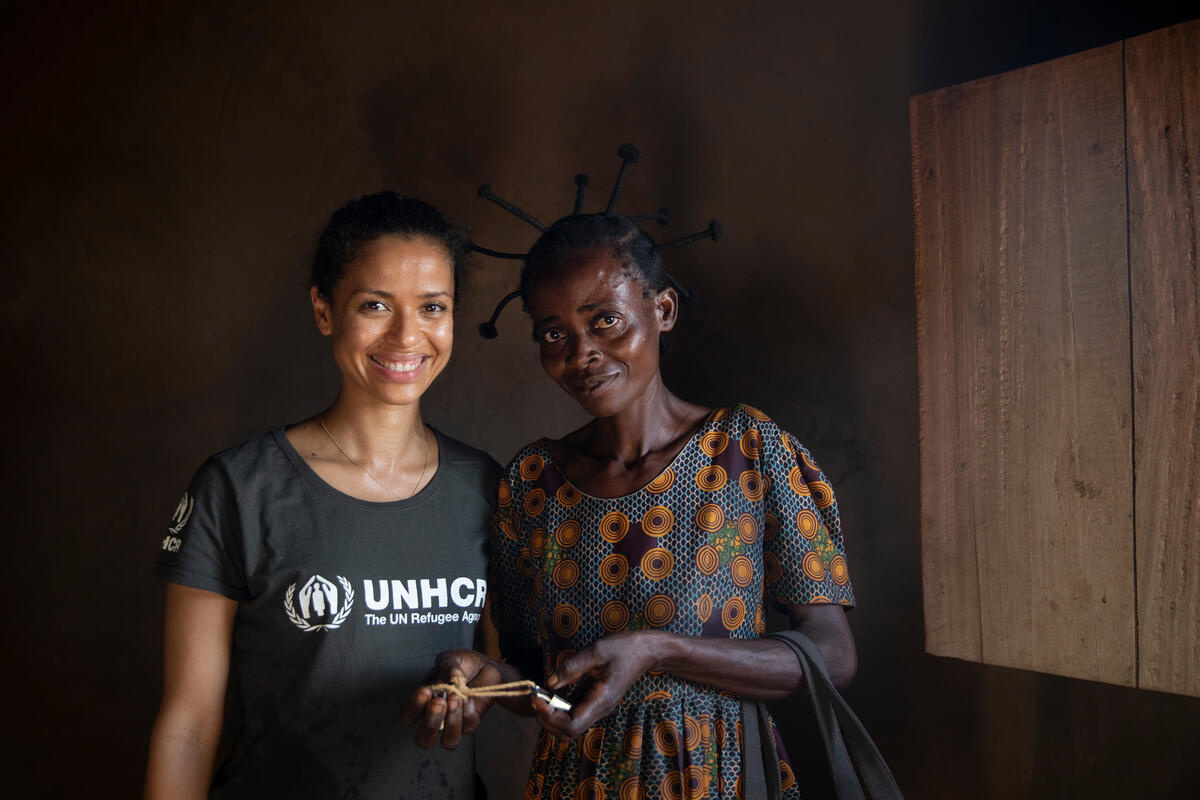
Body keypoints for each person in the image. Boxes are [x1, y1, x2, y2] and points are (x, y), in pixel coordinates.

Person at [406, 212, 857, 799]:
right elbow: (536, 676)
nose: (581, 353)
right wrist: (484, 679)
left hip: (719, 779)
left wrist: (659, 650)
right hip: (576, 783)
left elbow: (835, 657)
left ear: (663, 310)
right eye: (553, 333)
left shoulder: (748, 451)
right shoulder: (532, 482)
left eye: (606, 320)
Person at [146, 192, 500, 799]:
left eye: (432, 307)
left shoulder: (486, 487)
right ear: (324, 310)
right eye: (374, 305)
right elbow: (188, 726)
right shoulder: (239, 487)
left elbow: (506, 672)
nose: (406, 335)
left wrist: (477, 685)